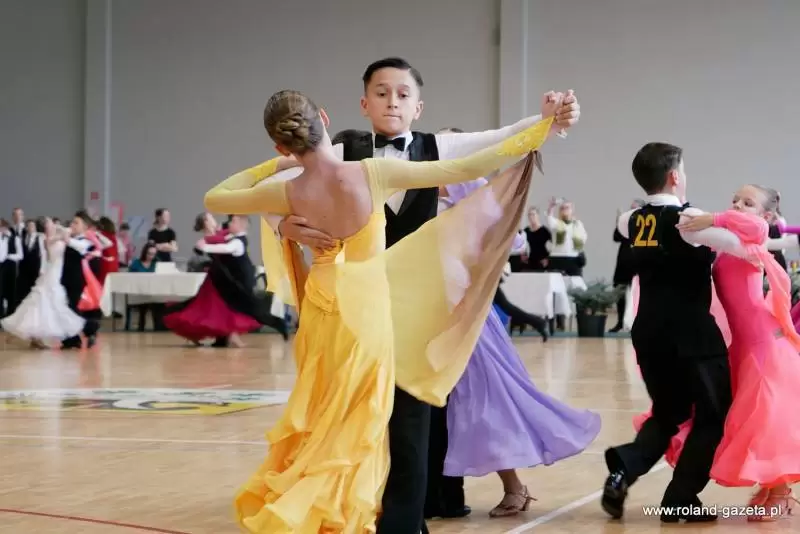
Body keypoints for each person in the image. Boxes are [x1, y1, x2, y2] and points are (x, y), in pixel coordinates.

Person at [204, 89, 561, 533]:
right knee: (366, 419)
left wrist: (276, 165)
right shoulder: (372, 172)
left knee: (327, 414)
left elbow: (216, 197)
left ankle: (325, 508)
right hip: (367, 311)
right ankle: (350, 511)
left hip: (320, 312)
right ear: (324, 118)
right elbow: (465, 168)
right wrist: (539, 131)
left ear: (280, 144)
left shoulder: (286, 190)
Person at [636, 185, 800, 520]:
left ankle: (781, 492)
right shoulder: (730, 242)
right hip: (742, 346)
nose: (737, 205)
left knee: (767, 420)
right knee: (749, 420)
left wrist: (712, 217)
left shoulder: (747, 239)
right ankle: (771, 486)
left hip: (764, 345)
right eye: (735, 200)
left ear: (767, 215)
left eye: (748, 203)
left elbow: (758, 230)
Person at [437, 179, 599, 518]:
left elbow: (515, 237)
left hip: (469, 318)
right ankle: (445, 493)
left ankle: (513, 486)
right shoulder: (422, 196)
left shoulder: (470, 195)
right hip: (435, 317)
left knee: (485, 401)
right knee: (453, 408)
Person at [602, 142, 743, 523]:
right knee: (714, 415)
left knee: (668, 413)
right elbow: (742, 246)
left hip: (649, 333)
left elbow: (631, 220)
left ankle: (623, 470)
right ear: (675, 176)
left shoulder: (630, 220)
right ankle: (680, 497)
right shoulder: (688, 220)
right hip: (692, 335)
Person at [1, 217, 85, 347]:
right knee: (44, 303)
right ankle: (21, 333)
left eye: (51, 223)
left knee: (41, 306)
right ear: (46, 228)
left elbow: (67, 236)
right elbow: (50, 257)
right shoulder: (47, 240)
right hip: (51, 274)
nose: (52, 225)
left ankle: (34, 337)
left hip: (56, 274)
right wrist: (62, 235)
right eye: (49, 224)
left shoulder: (57, 236)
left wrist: (64, 232)